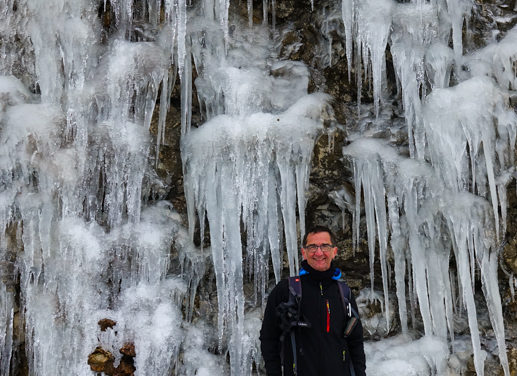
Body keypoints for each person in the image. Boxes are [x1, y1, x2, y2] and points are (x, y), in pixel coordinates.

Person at [260, 225, 366, 376]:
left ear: (334, 251)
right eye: (312, 247)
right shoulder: (286, 290)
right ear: (304, 252)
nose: (319, 252)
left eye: (325, 246)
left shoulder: (344, 293)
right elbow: (268, 338)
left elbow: (355, 341)